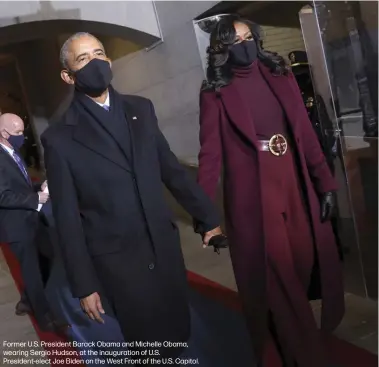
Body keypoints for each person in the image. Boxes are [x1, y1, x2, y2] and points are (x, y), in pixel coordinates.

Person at [41, 32, 225, 361]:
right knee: (148, 347)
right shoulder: (59, 138)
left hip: (164, 250)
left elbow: (172, 171)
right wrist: (84, 284)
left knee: (180, 333)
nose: (95, 62)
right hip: (118, 265)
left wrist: (207, 217)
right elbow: (68, 218)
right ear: (68, 76)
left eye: (99, 53)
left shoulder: (141, 109)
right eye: (83, 59)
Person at [197, 15, 345, 367]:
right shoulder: (215, 92)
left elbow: (306, 134)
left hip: (295, 184)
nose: (245, 45)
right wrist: (206, 217)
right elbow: (210, 155)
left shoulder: (281, 75)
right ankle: (306, 357)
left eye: (249, 37)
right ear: (221, 49)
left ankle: (287, 342)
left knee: (302, 266)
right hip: (255, 199)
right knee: (278, 278)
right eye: (235, 41)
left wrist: (324, 183)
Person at [0, 113, 54, 330]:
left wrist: (37, 187)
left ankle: (29, 300)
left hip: (31, 218)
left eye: (23, 131)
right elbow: (3, 196)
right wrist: (36, 199)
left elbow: (19, 184)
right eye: (18, 133)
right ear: (4, 133)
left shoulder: (11, 150)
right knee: (32, 273)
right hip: (16, 227)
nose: (22, 137)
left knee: (45, 261)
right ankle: (45, 318)